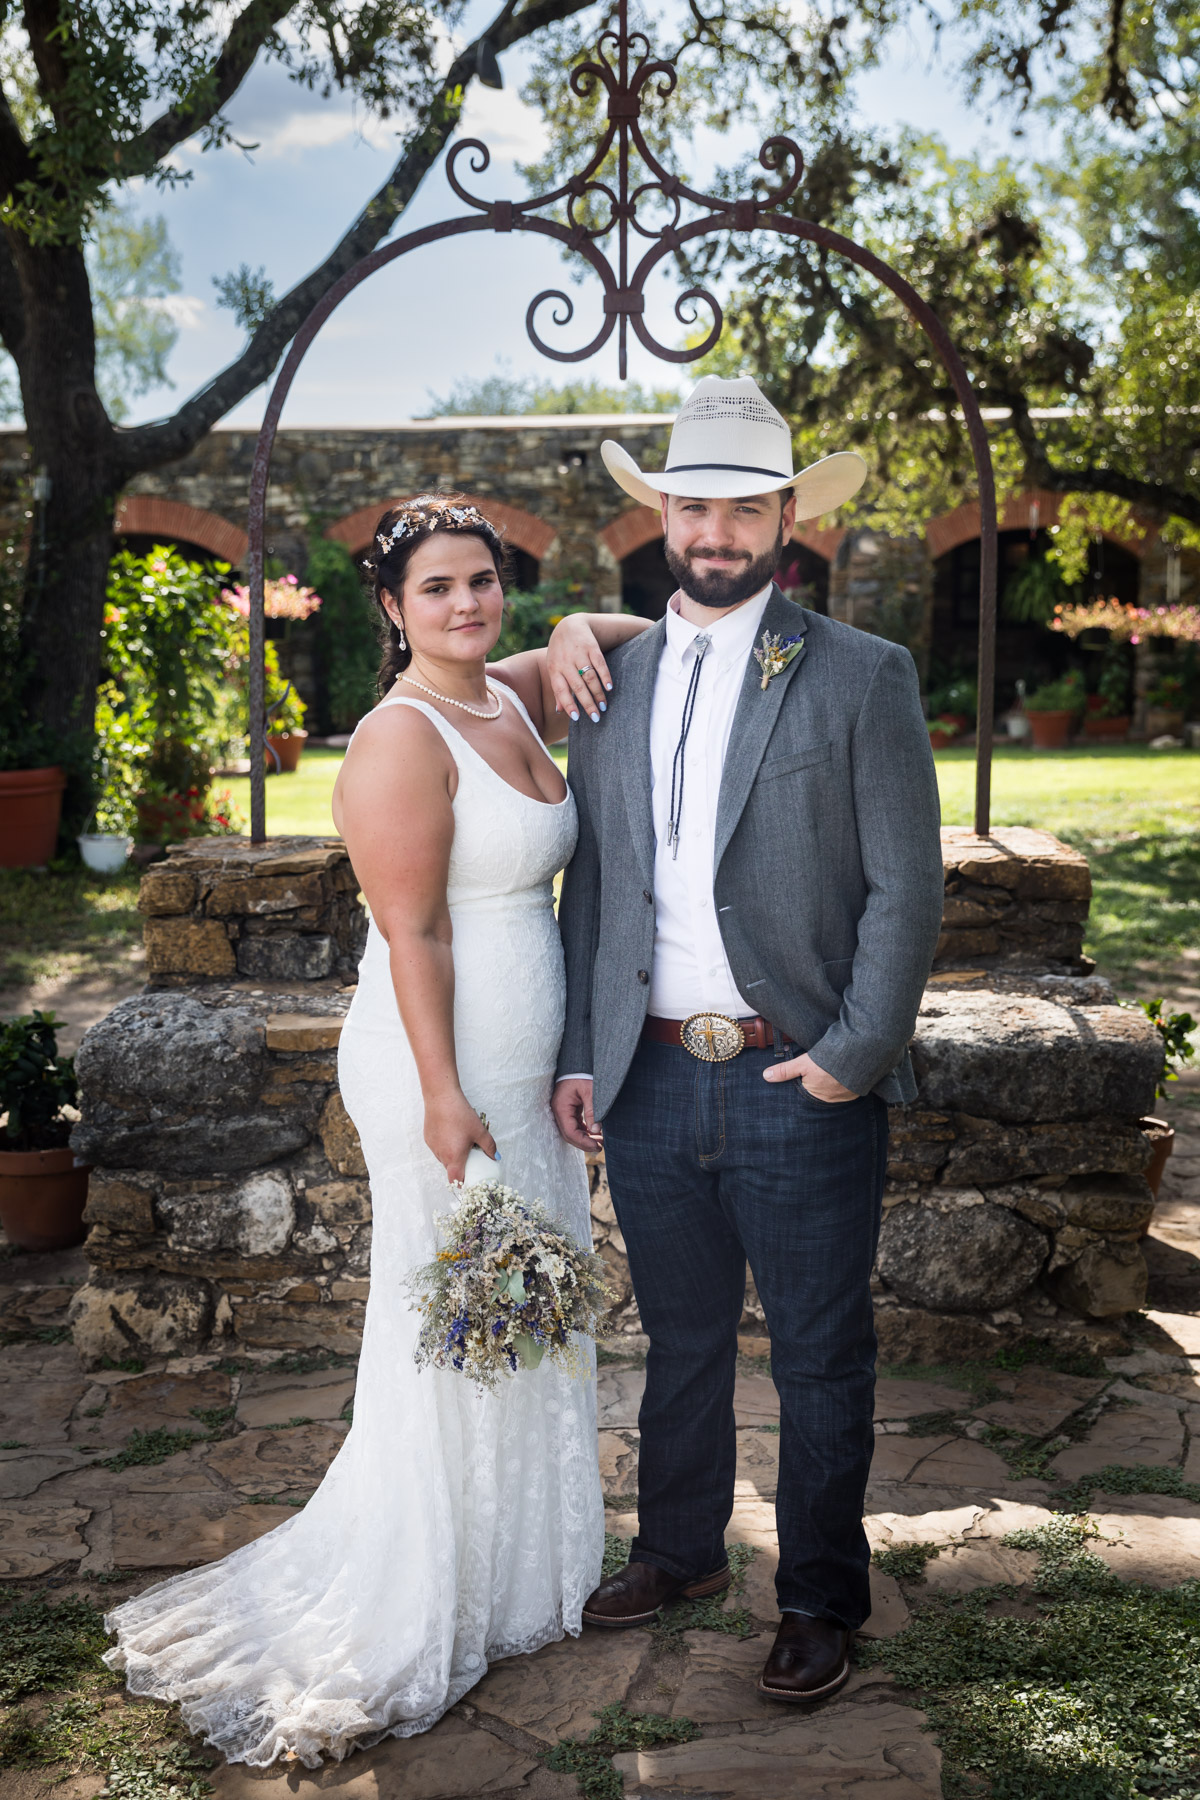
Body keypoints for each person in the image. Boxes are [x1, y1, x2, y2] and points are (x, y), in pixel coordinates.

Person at [103, 494, 650, 1766]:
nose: (468, 605)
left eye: (486, 582)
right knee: (454, 1330)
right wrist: (446, 1092)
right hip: (435, 1073)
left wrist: (570, 615)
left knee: (527, 1312)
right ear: (394, 612)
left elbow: (644, 628)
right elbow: (414, 933)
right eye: (439, 589)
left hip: (525, 1073)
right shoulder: (400, 741)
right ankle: (424, 1591)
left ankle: (521, 1573)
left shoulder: (513, 693)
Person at [552, 376, 945, 1703]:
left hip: (803, 1075)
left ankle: (822, 1596)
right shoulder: (607, 676)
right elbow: (595, 884)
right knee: (681, 1337)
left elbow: (908, 886)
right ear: (660, 510)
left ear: (789, 515)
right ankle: (679, 1550)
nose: (716, 528)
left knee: (826, 1352)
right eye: (693, 501)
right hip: (653, 1073)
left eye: (744, 504)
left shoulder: (860, 676)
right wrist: (582, 1054)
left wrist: (857, 1050)